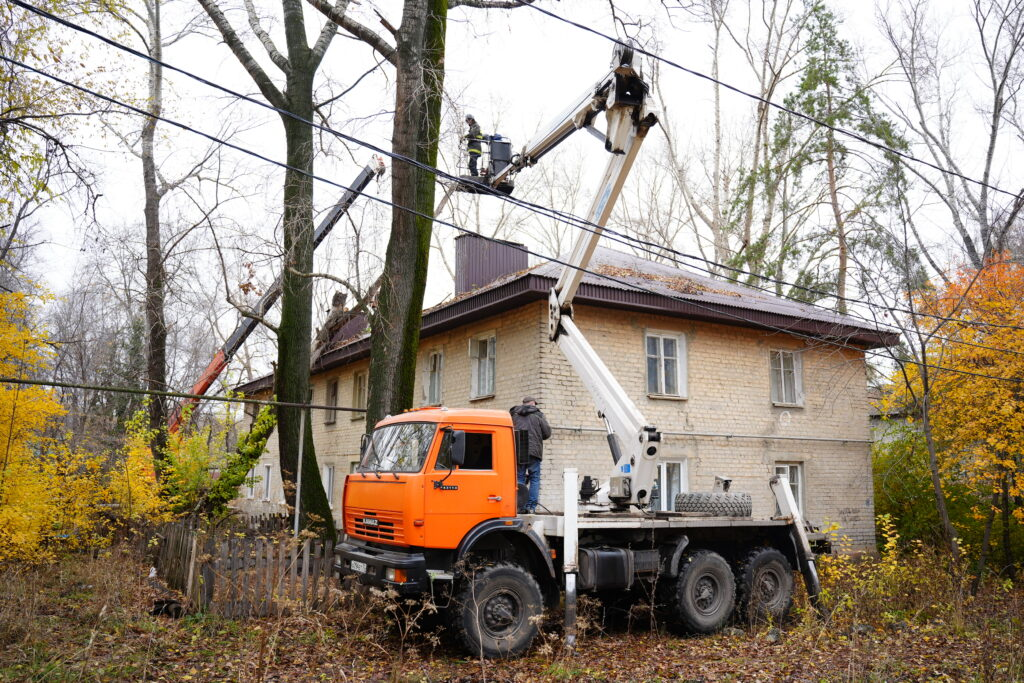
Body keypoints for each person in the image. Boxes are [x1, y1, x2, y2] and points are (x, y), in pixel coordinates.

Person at [510, 396, 551, 513]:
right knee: (534, 478)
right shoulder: (538, 415)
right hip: (534, 451)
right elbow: (547, 433)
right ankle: (531, 507)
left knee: (519, 477)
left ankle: (519, 507)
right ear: (532, 404)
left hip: (519, 450)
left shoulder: (514, 415)